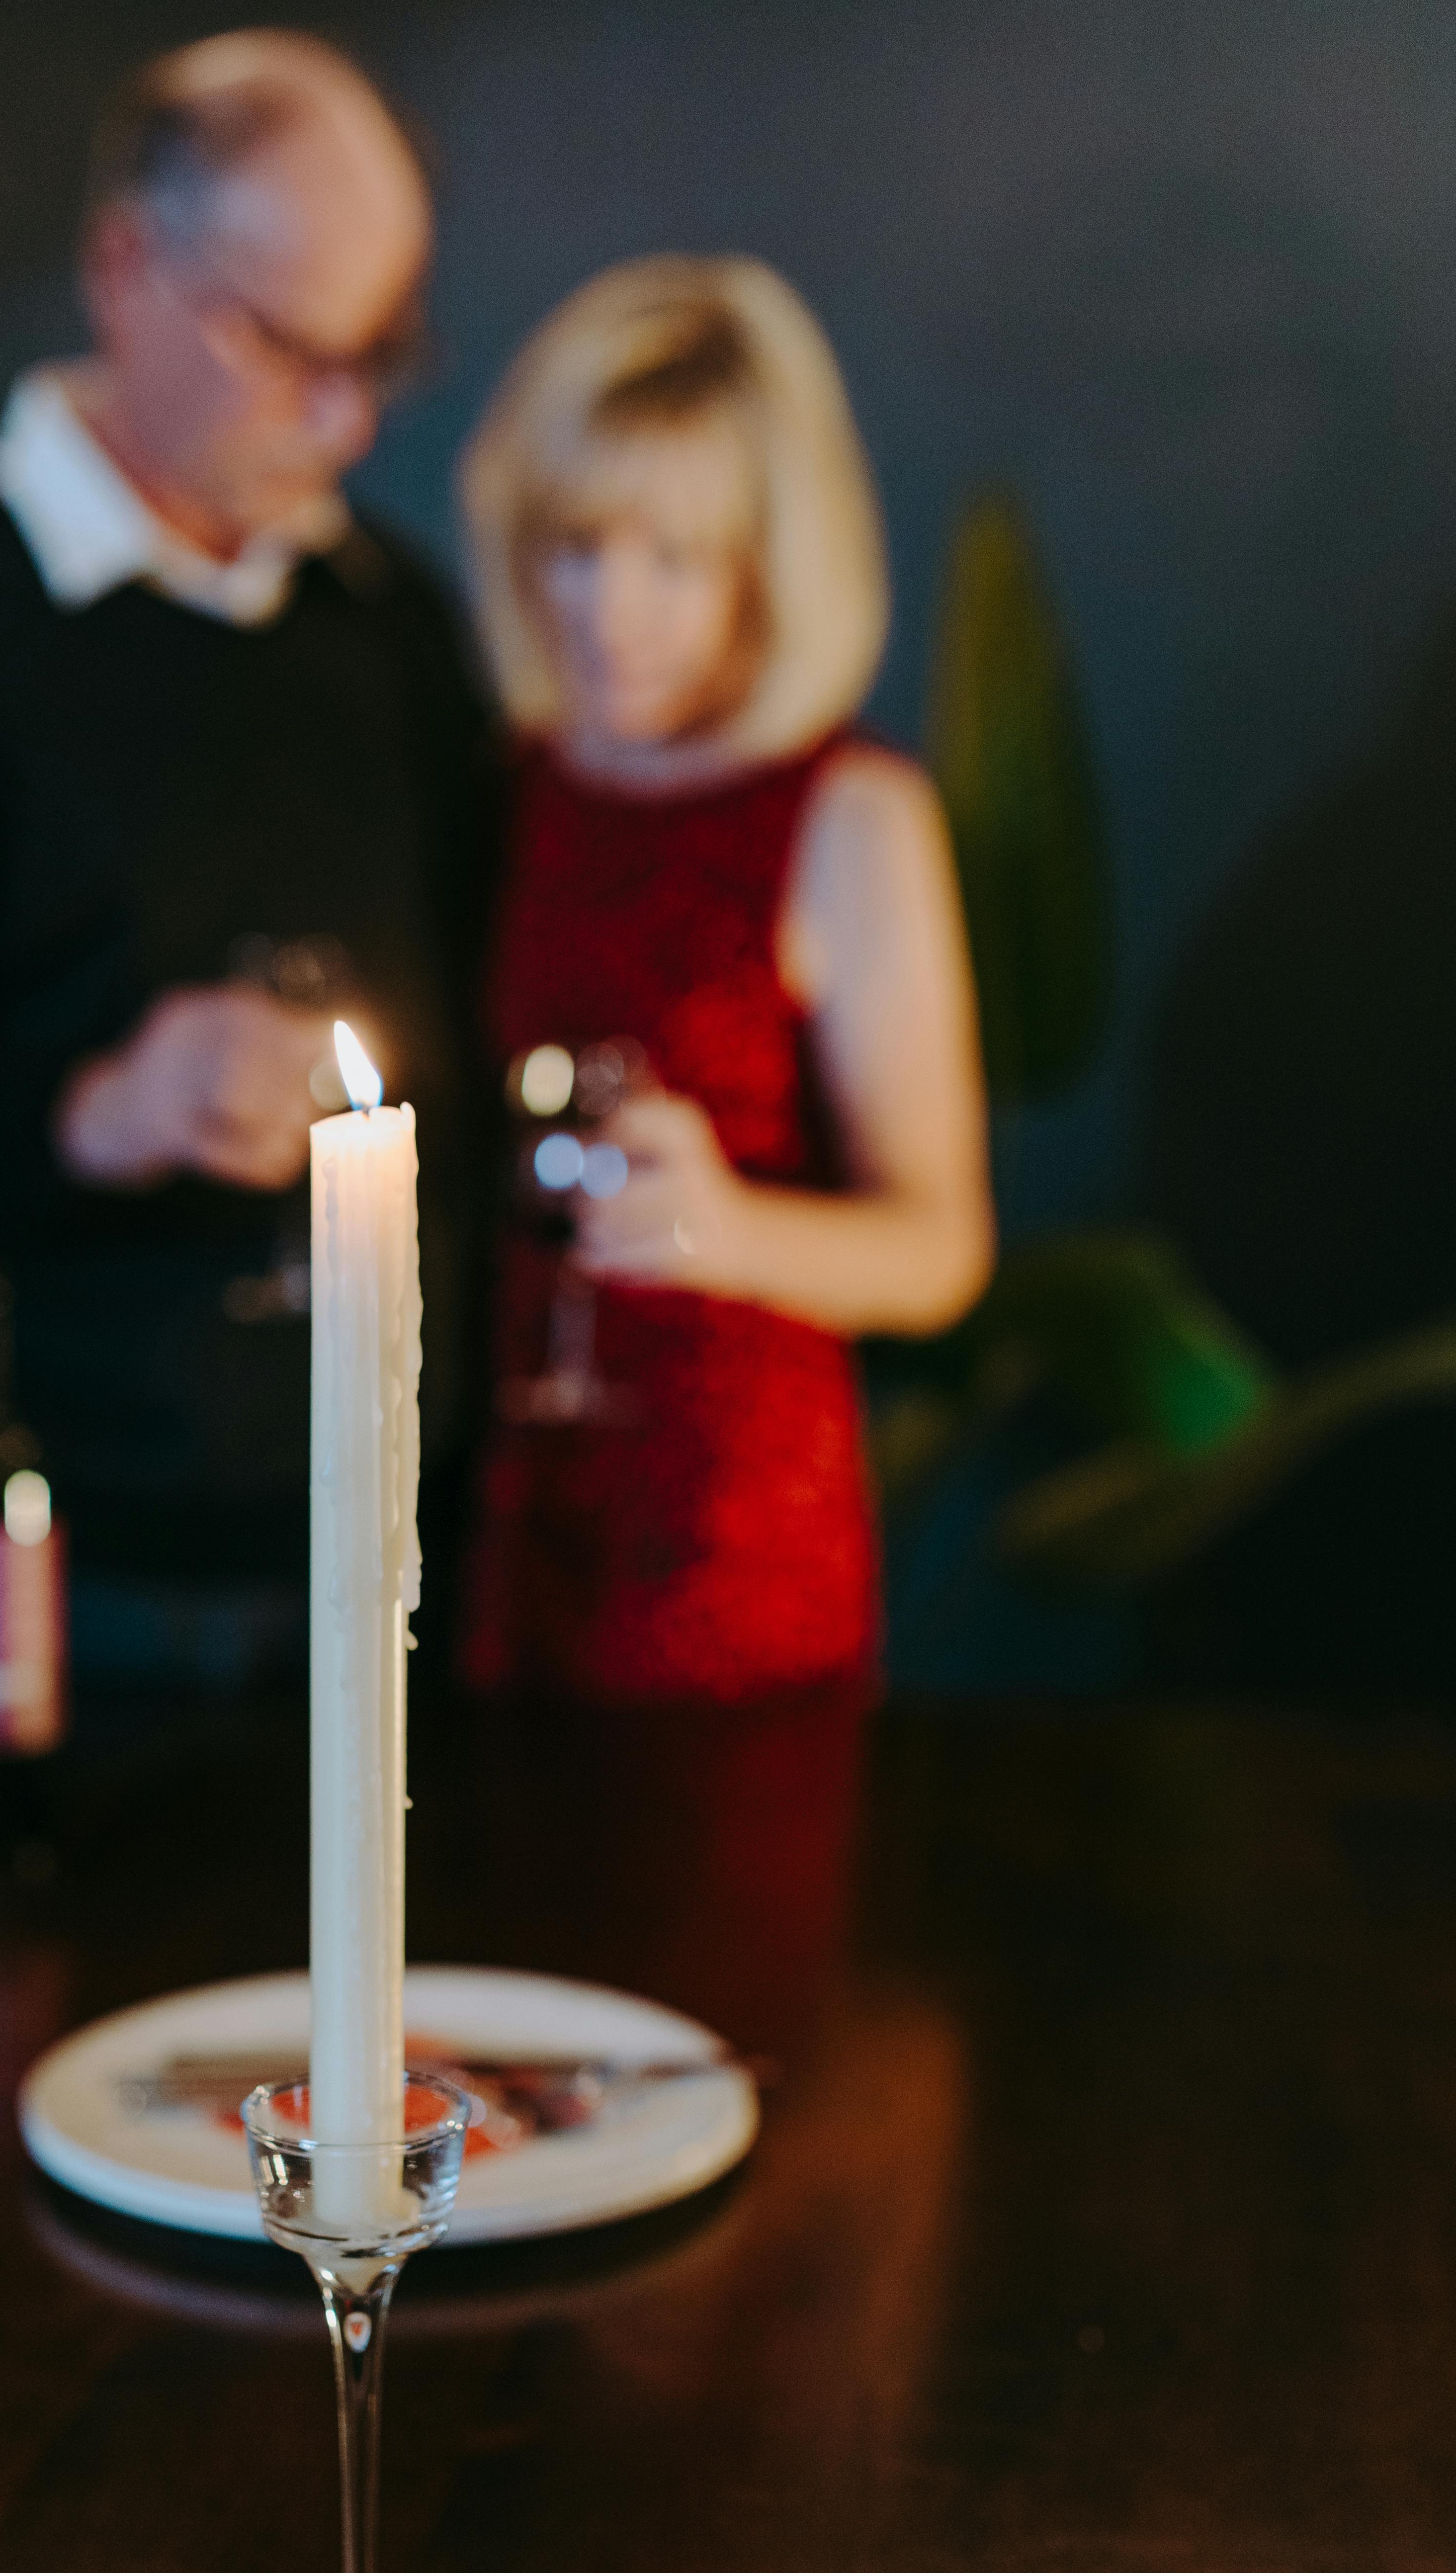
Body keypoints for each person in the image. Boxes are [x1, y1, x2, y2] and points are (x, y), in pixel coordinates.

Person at [0, 32, 495, 1684]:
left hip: (420, 1546)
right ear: (125, 268)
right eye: (293, 350)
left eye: (383, 353)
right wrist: (99, 1110)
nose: (348, 420)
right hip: (95, 1574)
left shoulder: (390, 621)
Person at [457, 256, 994, 1702]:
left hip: (730, 1557)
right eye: (575, 543)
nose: (604, 606)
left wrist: (727, 1232)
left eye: (672, 559)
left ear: (771, 561)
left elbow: (942, 1251)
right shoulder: (514, 785)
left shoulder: (847, 814)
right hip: (497, 1520)